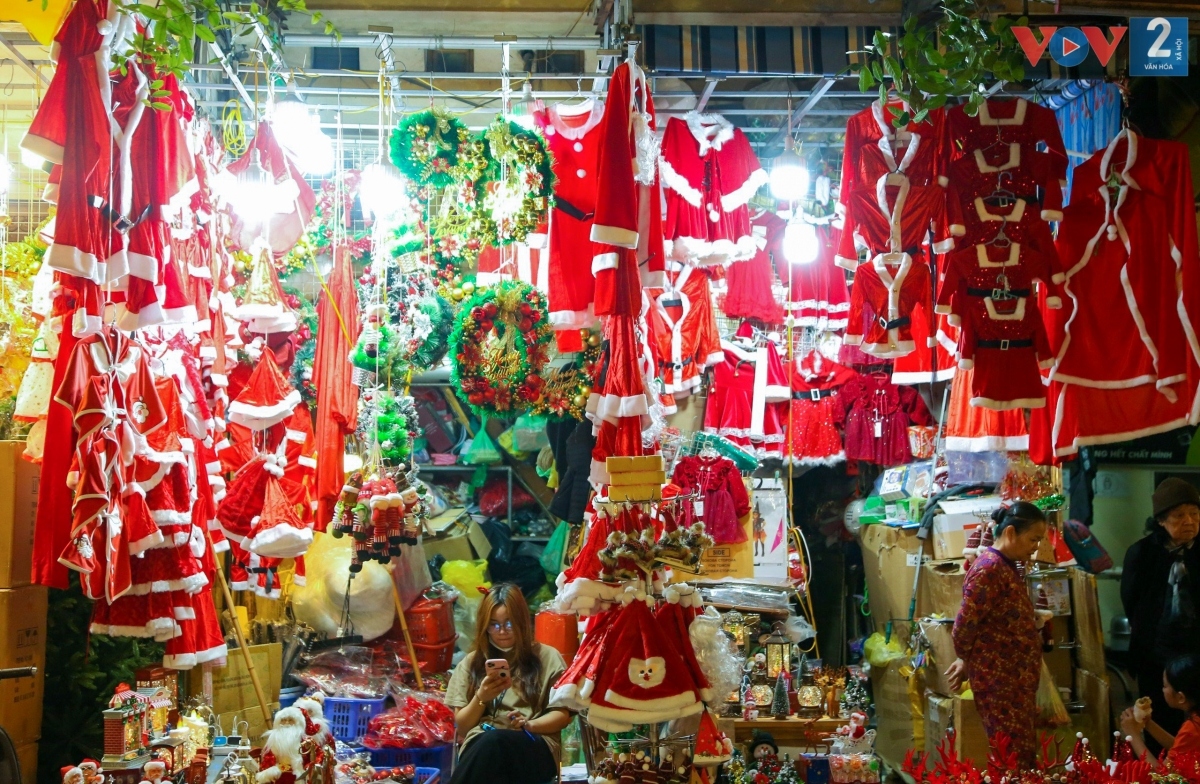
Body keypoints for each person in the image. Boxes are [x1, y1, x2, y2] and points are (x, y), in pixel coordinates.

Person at [947, 501, 1047, 769]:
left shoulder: (1007, 565)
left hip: (1014, 682)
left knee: (1019, 753)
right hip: (1001, 683)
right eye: (1033, 539)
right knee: (1011, 755)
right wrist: (965, 658)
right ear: (1011, 532)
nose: (1036, 546)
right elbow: (964, 625)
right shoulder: (989, 569)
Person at [445, 583, 573, 784]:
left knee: (495, 742)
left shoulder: (548, 657)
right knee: (492, 745)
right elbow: (462, 728)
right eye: (494, 624)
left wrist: (529, 724)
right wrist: (481, 697)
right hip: (484, 744)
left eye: (509, 624)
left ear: (521, 621)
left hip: (535, 743)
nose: (502, 631)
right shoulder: (470, 663)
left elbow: (563, 715)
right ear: (484, 625)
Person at [1122, 477, 1200, 745]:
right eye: (1179, 515)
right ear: (1161, 520)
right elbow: (1131, 602)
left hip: (1196, 654)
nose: (1189, 521)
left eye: (1195, 513)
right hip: (1155, 654)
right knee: (1156, 716)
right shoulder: (1142, 554)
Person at [1119, 654, 1200, 767]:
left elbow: (1162, 776)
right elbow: (1180, 747)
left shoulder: (1192, 727)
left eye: (1165, 686)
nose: (1162, 690)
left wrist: (1133, 735)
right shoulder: (1195, 721)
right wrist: (1148, 723)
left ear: (1181, 697)